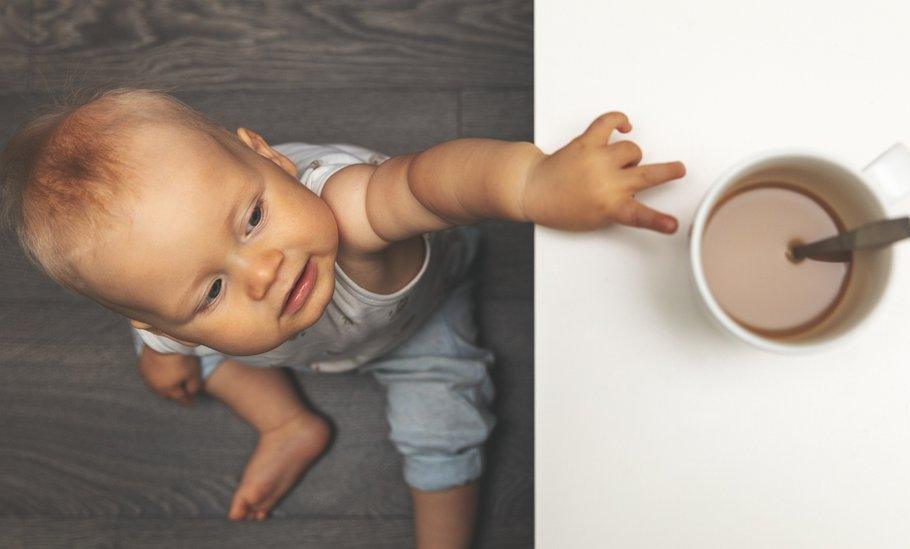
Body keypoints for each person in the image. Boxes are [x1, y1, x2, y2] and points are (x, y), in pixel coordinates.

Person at [0, 87, 684, 548]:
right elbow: (150, 316)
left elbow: (429, 182)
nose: (263, 270)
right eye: (212, 289)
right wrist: (163, 349)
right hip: (277, 338)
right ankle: (287, 422)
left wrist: (530, 183)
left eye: (254, 217)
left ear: (267, 156)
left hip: (418, 319)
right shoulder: (165, 299)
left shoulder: (350, 210)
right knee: (191, 353)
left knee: (443, 424)